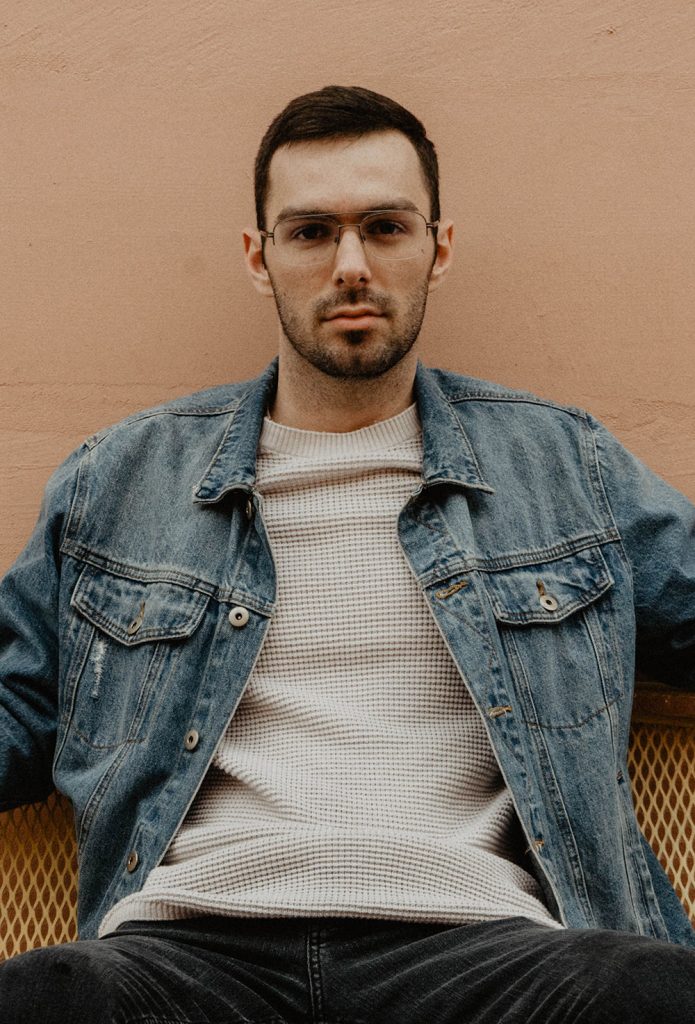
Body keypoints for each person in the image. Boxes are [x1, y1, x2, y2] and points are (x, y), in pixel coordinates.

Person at [1, 84, 694, 1023]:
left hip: (482, 949)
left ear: (438, 248)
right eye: (312, 232)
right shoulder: (119, 481)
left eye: (385, 227)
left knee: (653, 994)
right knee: (41, 1001)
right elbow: (16, 704)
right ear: (261, 257)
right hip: (190, 951)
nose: (352, 265)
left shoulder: (563, 468)